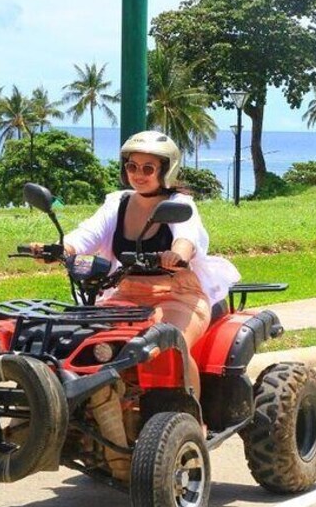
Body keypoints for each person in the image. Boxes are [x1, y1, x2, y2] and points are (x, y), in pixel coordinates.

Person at [32, 130, 238, 399]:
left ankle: (190, 424)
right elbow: (88, 233)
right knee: (82, 344)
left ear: (167, 170)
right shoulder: (118, 203)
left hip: (178, 296)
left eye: (148, 168)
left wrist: (177, 254)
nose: (138, 174)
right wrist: (60, 248)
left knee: (171, 344)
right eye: (132, 166)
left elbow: (186, 237)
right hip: (126, 295)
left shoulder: (179, 204)